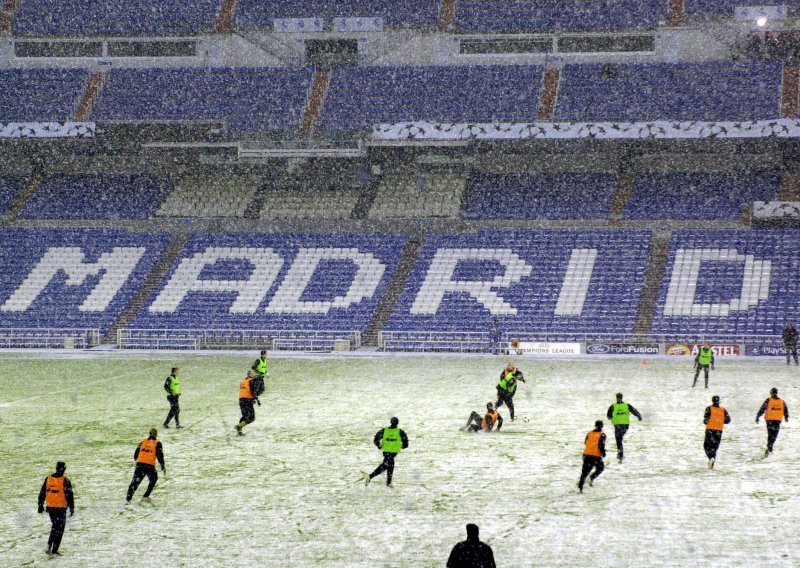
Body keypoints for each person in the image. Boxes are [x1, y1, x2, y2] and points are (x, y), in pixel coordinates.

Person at [37, 461, 74, 556]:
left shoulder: (48, 478)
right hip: (60, 508)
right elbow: (70, 495)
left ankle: (49, 547)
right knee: (59, 529)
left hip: (51, 508)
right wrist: (72, 507)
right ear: (63, 469)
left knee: (54, 527)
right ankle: (54, 549)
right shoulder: (65, 480)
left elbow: (42, 492)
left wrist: (40, 505)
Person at [365, 417, 408, 487]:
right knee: (387, 465)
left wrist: (379, 445)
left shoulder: (385, 430)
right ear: (397, 423)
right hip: (392, 453)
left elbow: (376, 438)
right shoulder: (400, 431)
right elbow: (405, 441)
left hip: (386, 452)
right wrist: (404, 446)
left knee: (388, 465)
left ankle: (388, 482)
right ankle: (370, 476)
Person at [126, 428, 165, 503]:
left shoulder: (143, 442)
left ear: (149, 433)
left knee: (135, 482)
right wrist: (162, 465)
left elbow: (136, 454)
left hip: (140, 464)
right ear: (156, 434)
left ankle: (128, 499)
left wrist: (139, 460)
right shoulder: (157, 443)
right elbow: (160, 456)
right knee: (153, 479)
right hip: (149, 465)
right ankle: (146, 496)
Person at [606, 393, 642, 463]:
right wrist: (639, 416)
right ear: (622, 397)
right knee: (619, 439)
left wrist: (614, 417)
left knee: (618, 439)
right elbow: (634, 411)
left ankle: (620, 454)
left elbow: (608, 417)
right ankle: (620, 454)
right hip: (625, 426)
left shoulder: (613, 406)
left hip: (617, 426)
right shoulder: (626, 405)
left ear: (616, 398)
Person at [756, 387, 789, 456]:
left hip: (769, 420)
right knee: (774, 435)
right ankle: (770, 447)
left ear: (771, 393)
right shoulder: (781, 401)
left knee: (770, 434)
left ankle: (769, 447)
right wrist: (786, 417)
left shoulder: (768, 400)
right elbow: (785, 409)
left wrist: (758, 416)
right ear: (776, 393)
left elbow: (762, 408)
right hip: (777, 421)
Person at [578, 420, 606, 493]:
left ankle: (580, 485)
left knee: (584, 472)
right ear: (602, 426)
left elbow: (585, 442)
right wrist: (603, 453)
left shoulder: (589, 433)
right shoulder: (602, 434)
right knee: (600, 468)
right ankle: (592, 477)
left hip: (586, 454)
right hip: (595, 456)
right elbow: (601, 446)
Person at [703, 395, 731, 469]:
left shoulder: (709, 408)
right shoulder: (723, 410)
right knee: (715, 447)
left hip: (710, 429)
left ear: (712, 401)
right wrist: (720, 420)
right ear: (719, 401)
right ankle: (712, 460)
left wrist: (707, 421)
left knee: (706, 445)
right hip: (719, 430)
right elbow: (728, 420)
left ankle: (710, 457)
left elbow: (706, 420)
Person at [236, 370, 260, 436]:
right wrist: (256, 399)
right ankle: (239, 426)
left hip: (241, 399)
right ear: (249, 374)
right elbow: (252, 391)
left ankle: (239, 431)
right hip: (247, 399)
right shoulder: (251, 381)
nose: (254, 375)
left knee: (244, 416)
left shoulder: (243, 381)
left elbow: (243, 390)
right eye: (253, 374)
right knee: (252, 417)